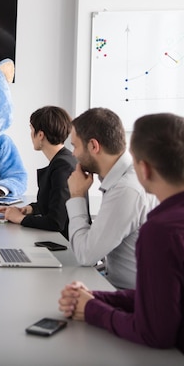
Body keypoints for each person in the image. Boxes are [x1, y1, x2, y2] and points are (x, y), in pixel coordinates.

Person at [58, 113, 184, 365]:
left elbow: (155, 333)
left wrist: (92, 310)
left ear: (143, 168)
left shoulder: (160, 229)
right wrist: (98, 298)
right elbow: (166, 294)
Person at [65, 107, 157, 290]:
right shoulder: (123, 178)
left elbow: (85, 255)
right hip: (113, 281)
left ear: (93, 146)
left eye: (75, 146)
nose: (73, 154)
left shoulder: (126, 190)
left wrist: (76, 196)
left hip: (129, 297)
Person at [0, 106, 76, 239]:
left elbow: (56, 222)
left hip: (66, 248)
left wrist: (20, 219)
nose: (31, 135)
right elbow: (54, 204)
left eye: (31, 130)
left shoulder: (63, 167)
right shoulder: (64, 160)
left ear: (40, 135)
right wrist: (27, 210)